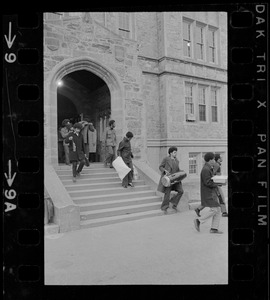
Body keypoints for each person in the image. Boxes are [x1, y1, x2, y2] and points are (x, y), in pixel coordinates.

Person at [193, 152, 223, 234]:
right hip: (208, 193)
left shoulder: (208, 167)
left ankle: (214, 228)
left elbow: (210, 180)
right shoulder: (206, 169)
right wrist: (218, 183)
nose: (214, 160)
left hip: (211, 192)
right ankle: (199, 220)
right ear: (210, 160)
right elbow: (208, 182)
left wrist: (218, 182)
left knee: (218, 209)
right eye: (213, 159)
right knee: (214, 209)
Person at [195, 153, 228, 217]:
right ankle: (224, 212)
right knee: (220, 198)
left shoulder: (216, 165)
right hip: (214, 184)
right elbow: (212, 175)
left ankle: (198, 209)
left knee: (210, 202)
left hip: (215, 184)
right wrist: (219, 181)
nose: (222, 159)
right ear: (218, 159)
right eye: (220, 158)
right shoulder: (215, 165)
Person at [157, 147, 184, 214]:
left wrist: (181, 172)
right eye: (175, 152)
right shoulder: (166, 159)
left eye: (176, 152)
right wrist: (165, 171)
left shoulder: (176, 160)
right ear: (171, 153)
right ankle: (164, 207)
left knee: (181, 191)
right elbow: (160, 166)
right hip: (168, 179)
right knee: (167, 193)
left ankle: (173, 203)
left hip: (175, 179)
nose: (176, 154)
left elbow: (177, 169)